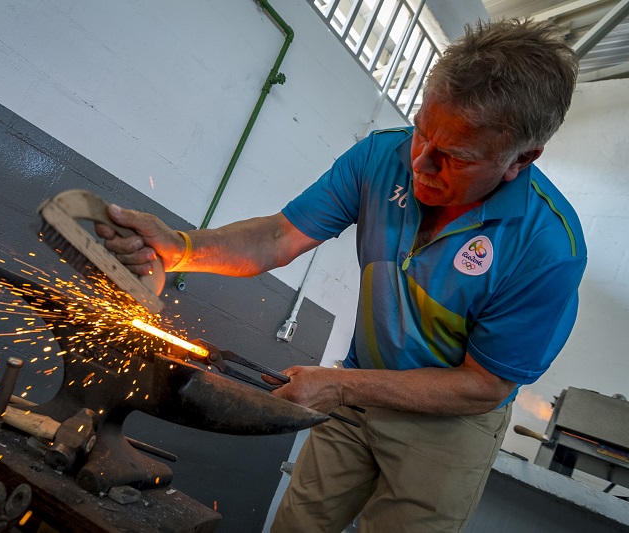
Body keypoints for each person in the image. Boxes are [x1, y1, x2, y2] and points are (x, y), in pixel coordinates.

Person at [96, 18, 586, 533]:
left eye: (455, 157)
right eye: (422, 129)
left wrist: (342, 386)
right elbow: (277, 239)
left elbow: (483, 387)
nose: (420, 162)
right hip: (353, 390)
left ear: (521, 159)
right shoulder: (380, 157)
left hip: (449, 425)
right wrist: (183, 248)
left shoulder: (549, 248)